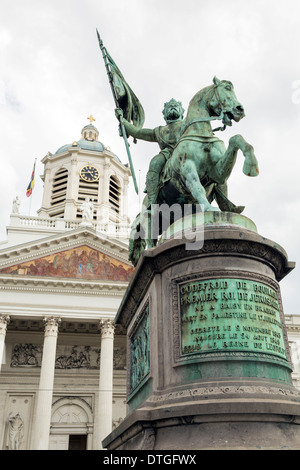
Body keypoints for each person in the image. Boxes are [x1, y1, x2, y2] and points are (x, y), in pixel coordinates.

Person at [116, 98, 185, 207]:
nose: (173, 107)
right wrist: (123, 120)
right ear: (164, 114)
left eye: (176, 106)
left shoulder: (189, 124)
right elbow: (137, 132)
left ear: (182, 112)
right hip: (167, 155)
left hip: (187, 151)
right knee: (154, 163)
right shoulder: (159, 131)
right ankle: (152, 199)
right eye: (169, 107)